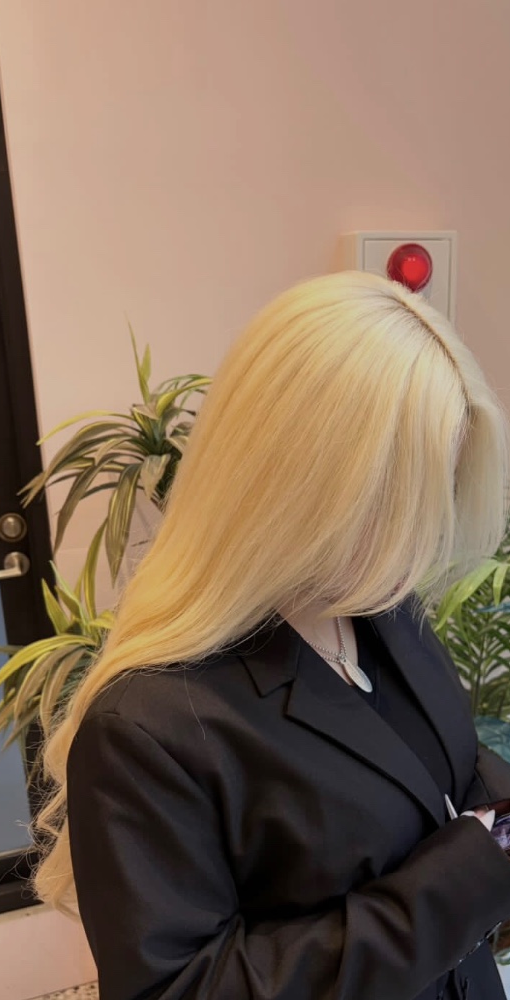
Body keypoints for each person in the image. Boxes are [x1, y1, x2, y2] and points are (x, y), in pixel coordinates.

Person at [34, 271, 510, 999]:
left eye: (438, 493)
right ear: (295, 484)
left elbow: (443, 767)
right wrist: (461, 882)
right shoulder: (151, 729)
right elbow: (183, 989)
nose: (425, 538)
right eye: (400, 504)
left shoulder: (381, 612)